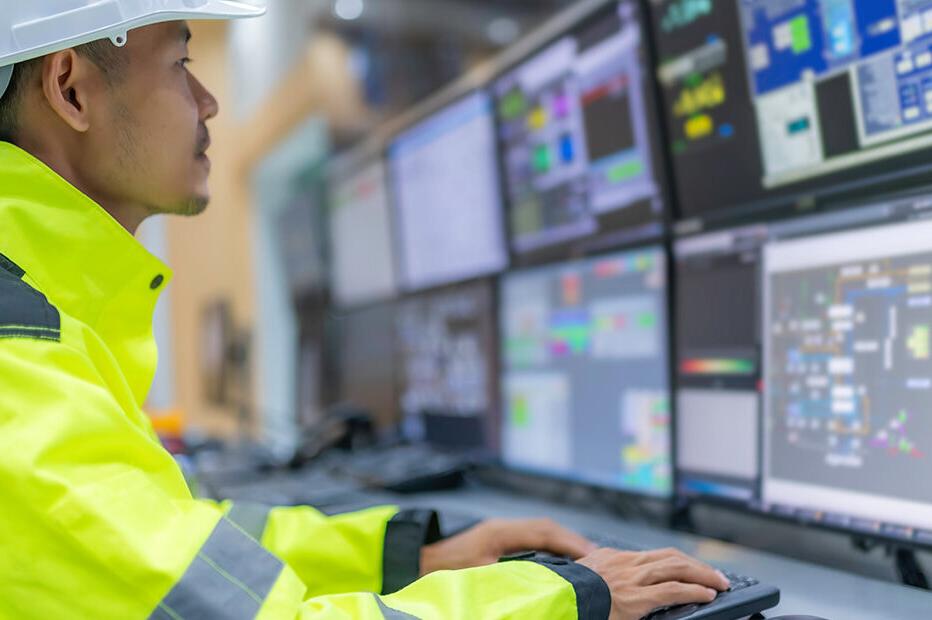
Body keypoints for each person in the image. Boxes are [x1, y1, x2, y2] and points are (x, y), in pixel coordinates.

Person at [0, 2, 730, 618]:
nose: (209, 102)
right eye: (181, 64)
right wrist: (565, 596)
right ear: (71, 89)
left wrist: (410, 554)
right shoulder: (16, 370)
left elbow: (189, 554)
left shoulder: (44, 327)